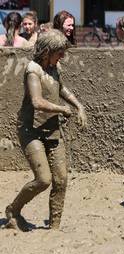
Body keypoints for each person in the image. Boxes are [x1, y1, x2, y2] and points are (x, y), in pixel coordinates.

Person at [4, 29, 87, 231]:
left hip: (51, 129)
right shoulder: (33, 69)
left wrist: (79, 106)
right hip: (30, 131)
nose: (63, 56)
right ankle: (13, 211)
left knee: (61, 179)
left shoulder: (54, 67)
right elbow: (37, 101)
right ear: (47, 51)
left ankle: (55, 227)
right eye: (59, 52)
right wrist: (62, 109)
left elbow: (61, 89)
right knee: (43, 180)